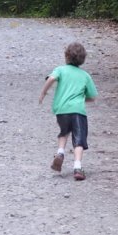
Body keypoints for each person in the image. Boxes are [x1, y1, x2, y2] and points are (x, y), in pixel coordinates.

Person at [38, 42, 98, 181]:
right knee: (79, 139)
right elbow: (92, 97)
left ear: (66, 56)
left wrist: (43, 93)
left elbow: (51, 78)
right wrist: (81, 100)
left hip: (62, 110)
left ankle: (60, 153)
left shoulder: (60, 70)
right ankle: (77, 167)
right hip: (78, 112)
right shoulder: (85, 75)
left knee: (64, 132)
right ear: (83, 59)